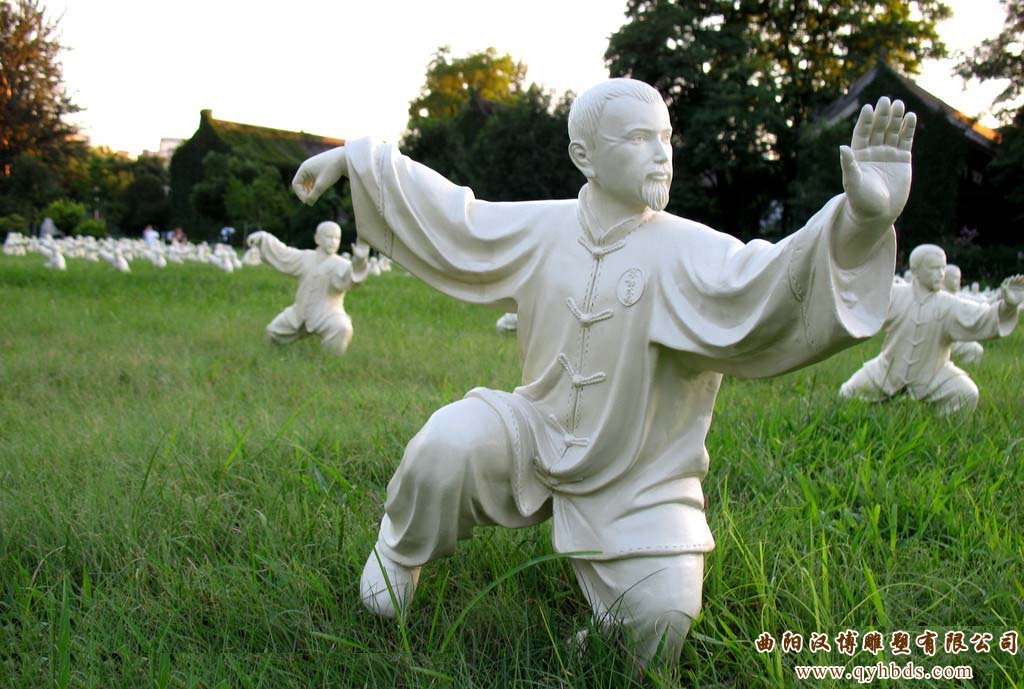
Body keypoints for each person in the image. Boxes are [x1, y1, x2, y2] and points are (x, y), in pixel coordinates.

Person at [291, 78, 916, 665]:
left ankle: (606, 635)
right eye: (639, 138)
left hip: (643, 473)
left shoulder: (691, 250)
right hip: (534, 431)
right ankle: (400, 549)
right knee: (444, 443)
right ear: (583, 155)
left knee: (661, 621)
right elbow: (457, 219)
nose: (662, 154)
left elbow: (776, 280)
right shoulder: (544, 228)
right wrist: (358, 160)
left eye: (665, 137)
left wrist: (861, 222)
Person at [840, 244, 1021, 415]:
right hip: (887, 371)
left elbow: (980, 318)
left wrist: (1008, 307)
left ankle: (943, 430)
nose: (941, 274)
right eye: (934, 268)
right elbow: (865, 304)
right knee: (847, 394)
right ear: (916, 270)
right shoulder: (895, 295)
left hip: (933, 375)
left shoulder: (948, 305)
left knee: (967, 394)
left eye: (943, 268)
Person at [247, 221, 369, 356]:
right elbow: (284, 254)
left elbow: (351, 277)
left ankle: (330, 360)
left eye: (337, 238)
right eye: (329, 237)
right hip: (298, 314)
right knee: (271, 333)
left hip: (327, 315)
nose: (333, 242)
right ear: (317, 238)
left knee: (342, 328)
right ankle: (267, 356)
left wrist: (359, 261)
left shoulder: (341, 264)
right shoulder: (305, 258)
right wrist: (263, 238)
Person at [941, 264, 985, 365]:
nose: (958, 282)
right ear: (945, 278)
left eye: (959, 278)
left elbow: (976, 302)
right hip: (942, 339)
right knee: (975, 349)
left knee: (976, 348)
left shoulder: (956, 295)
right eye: (955, 278)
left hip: (954, 336)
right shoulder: (942, 296)